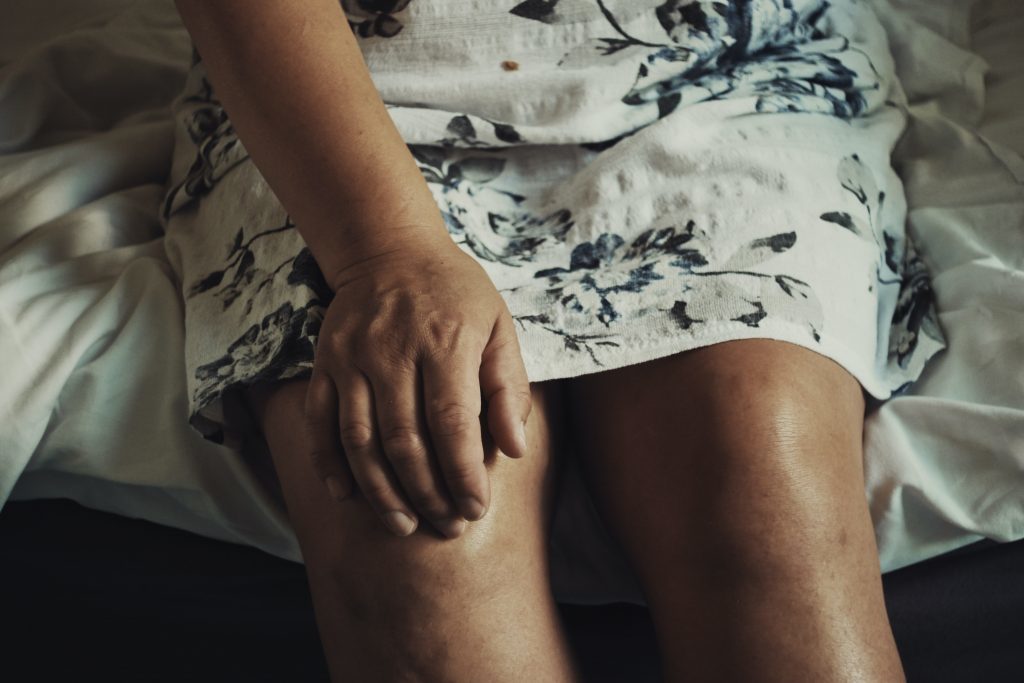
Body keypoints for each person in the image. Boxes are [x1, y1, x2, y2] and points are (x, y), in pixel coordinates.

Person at [163, 0, 946, 680]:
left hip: (723, 66)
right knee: (422, 545)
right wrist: (384, 255)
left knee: (771, 504)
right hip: (345, 101)